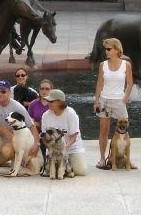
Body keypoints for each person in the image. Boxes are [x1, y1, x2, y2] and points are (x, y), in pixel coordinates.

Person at [93, 37, 133, 169]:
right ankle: (102, 158)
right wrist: (96, 100)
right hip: (105, 100)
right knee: (103, 130)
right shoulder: (102, 65)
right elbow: (99, 83)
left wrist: (126, 97)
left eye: (109, 49)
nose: (107, 51)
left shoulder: (126, 65)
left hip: (119, 101)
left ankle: (127, 159)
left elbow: (130, 83)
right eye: (106, 49)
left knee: (125, 130)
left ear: (117, 49)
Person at [0, 80, 39, 169]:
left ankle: (13, 159)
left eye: (3, 91)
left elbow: (31, 125)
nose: (0, 94)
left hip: (12, 139)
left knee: (6, 152)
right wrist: (3, 130)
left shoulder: (17, 106)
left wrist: (36, 144)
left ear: (9, 92)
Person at [41, 89, 86, 176]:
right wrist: (51, 149)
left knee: (81, 171)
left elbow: (73, 137)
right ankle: (62, 168)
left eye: (51, 101)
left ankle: (65, 167)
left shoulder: (71, 114)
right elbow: (44, 137)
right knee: (49, 171)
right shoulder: (45, 115)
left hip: (72, 148)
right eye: (48, 101)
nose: (48, 103)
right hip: (52, 149)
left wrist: (64, 148)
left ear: (60, 102)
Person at [27, 78, 53, 158]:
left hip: (52, 132)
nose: (44, 91)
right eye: (42, 89)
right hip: (37, 132)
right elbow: (30, 122)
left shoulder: (54, 104)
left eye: (47, 89)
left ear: (51, 90)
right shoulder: (33, 104)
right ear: (39, 90)